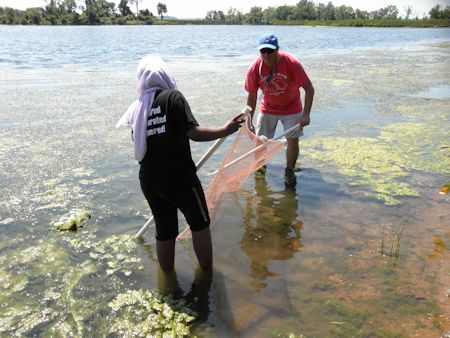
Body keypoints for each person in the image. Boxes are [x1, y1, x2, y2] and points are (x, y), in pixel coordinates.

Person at [117, 55, 244, 271]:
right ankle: (207, 276)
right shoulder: (173, 97)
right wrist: (225, 129)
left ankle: (167, 280)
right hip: (179, 178)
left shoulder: (138, 107)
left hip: (149, 179)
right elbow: (193, 132)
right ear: (166, 74)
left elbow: (140, 142)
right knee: (200, 224)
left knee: (164, 230)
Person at [245, 33, 315, 186]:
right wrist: (249, 120)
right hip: (268, 107)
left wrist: (306, 115)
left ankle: (289, 171)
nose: (266, 55)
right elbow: (251, 96)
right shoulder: (254, 69)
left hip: (292, 107)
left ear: (277, 49)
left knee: (293, 140)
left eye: (270, 51)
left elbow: (309, 89)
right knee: (260, 141)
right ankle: (260, 168)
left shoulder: (291, 63)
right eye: (263, 51)